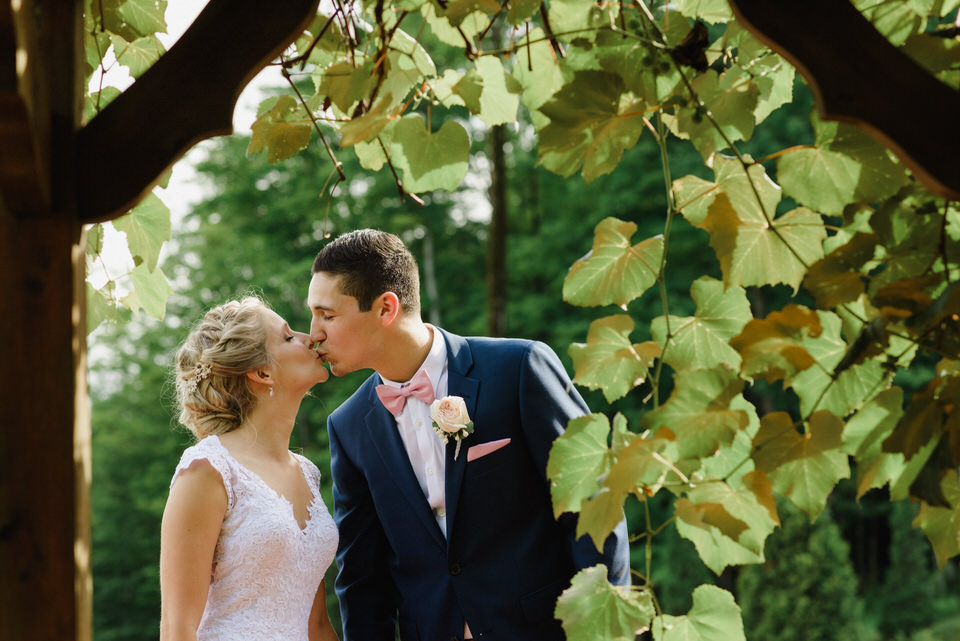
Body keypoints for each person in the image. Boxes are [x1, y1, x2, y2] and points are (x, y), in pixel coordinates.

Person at [308, 229, 630, 641]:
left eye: (327, 315)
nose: (313, 332)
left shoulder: (519, 369)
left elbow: (593, 504)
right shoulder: (349, 424)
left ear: (386, 308)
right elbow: (361, 577)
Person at [159, 297, 339, 641]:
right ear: (262, 373)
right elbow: (176, 628)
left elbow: (316, 625)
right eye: (287, 337)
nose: (308, 337)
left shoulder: (307, 473)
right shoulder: (208, 468)